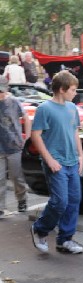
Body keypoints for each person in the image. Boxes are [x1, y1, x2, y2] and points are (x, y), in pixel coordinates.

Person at [30, 70, 83, 254]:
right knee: (60, 201)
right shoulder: (44, 108)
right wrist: (49, 160)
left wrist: (81, 155)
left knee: (74, 200)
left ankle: (65, 240)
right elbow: (35, 135)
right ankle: (40, 229)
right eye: (73, 89)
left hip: (72, 161)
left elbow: (75, 132)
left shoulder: (72, 108)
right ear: (62, 89)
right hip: (56, 162)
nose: (75, 93)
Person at [0, 76, 31, 218]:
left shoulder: (13, 102)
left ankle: (22, 200)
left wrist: (28, 137)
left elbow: (26, 117)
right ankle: (0, 207)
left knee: (16, 177)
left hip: (14, 145)